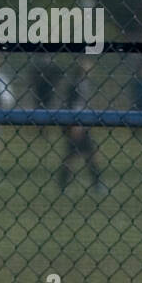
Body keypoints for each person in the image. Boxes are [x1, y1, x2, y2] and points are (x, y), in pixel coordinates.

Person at [58, 56, 108, 195]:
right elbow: (73, 105)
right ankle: (65, 184)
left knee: (80, 155)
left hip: (81, 124)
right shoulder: (77, 84)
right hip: (78, 125)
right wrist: (75, 125)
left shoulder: (82, 83)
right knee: (80, 155)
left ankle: (65, 184)